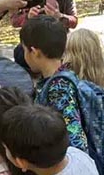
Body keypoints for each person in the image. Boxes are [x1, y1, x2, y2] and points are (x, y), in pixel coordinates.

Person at [20, 16, 88, 153]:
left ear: (34, 52)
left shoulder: (59, 88)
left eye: (24, 50)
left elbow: (76, 140)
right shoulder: (63, 77)